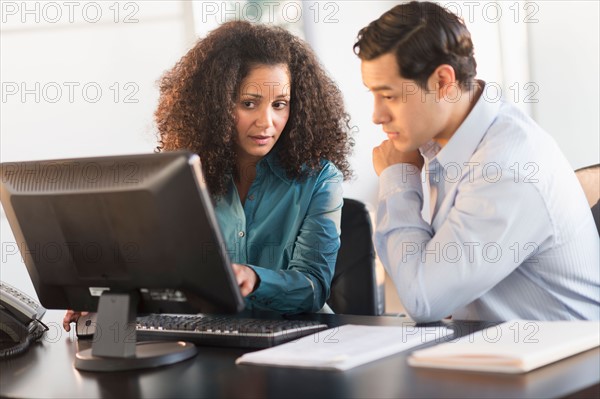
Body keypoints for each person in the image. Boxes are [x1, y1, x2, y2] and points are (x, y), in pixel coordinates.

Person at [64, 20, 353, 331]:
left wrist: (254, 279)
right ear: (215, 104)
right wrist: (106, 302)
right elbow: (157, 277)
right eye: (249, 103)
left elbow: (313, 287)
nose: (267, 122)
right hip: (212, 343)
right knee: (109, 356)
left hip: (299, 346)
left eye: (279, 105)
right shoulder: (179, 178)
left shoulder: (320, 178)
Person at [354, 1, 599, 322]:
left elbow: (423, 298)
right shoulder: (444, 146)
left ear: (443, 82)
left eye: (389, 96)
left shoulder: (507, 166)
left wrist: (398, 178)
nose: (376, 116)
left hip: (568, 365)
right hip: (491, 354)